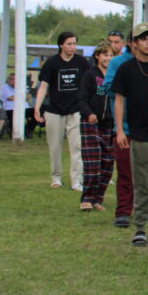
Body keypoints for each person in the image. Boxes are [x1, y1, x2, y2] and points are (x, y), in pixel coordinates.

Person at [112, 23, 148, 247]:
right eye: (144, 39)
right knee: (143, 184)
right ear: (134, 43)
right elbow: (119, 100)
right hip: (140, 134)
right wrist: (119, 130)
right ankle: (139, 227)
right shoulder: (126, 68)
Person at [34, 31, 90, 189]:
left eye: (74, 43)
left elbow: (91, 80)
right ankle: (56, 177)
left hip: (76, 109)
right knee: (54, 145)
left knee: (77, 146)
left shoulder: (82, 62)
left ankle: (76, 180)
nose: (72, 47)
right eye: (69, 44)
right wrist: (37, 107)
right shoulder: (52, 63)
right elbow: (44, 85)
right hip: (54, 110)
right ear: (61, 45)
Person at [103, 33, 138, 229]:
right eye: (140, 39)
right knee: (125, 171)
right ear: (131, 43)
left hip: (145, 127)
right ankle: (123, 210)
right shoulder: (117, 63)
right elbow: (106, 88)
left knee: (146, 174)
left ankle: (140, 207)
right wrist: (127, 87)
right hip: (124, 126)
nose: (145, 43)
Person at [78, 41, 116, 211]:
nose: (108, 58)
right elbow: (82, 99)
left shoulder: (114, 76)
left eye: (110, 55)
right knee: (93, 161)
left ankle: (97, 199)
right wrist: (89, 113)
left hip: (109, 123)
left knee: (107, 163)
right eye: (105, 54)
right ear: (97, 56)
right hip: (91, 123)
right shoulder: (90, 75)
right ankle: (86, 198)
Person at [0, 72, 34, 139]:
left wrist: (18, 96)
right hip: (11, 109)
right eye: (11, 79)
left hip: (24, 109)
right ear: (8, 80)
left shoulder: (22, 87)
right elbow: (10, 98)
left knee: (37, 111)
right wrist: (22, 96)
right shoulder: (5, 88)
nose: (13, 81)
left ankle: (28, 129)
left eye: (14, 79)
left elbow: (28, 97)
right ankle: (16, 133)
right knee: (13, 115)